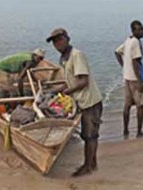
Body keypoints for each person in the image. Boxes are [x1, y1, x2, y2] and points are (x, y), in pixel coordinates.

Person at [46, 28, 103, 177]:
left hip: (90, 102)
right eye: (54, 42)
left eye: (59, 40)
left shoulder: (76, 55)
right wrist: (54, 90)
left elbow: (83, 81)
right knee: (87, 135)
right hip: (82, 102)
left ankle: (88, 167)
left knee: (90, 136)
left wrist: (68, 92)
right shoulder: (64, 59)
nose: (57, 44)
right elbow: (69, 81)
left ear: (67, 38)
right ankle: (92, 163)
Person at [115, 20, 143, 139]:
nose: (142, 31)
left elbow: (117, 52)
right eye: (139, 29)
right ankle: (139, 132)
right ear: (133, 31)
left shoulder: (128, 40)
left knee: (127, 106)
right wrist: (139, 81)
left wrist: (124, 67)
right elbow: (135, 61)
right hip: (136, 79)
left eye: (142, 29)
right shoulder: (135, 42)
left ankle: (125, 131)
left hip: (128, 78)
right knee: (140, 106)